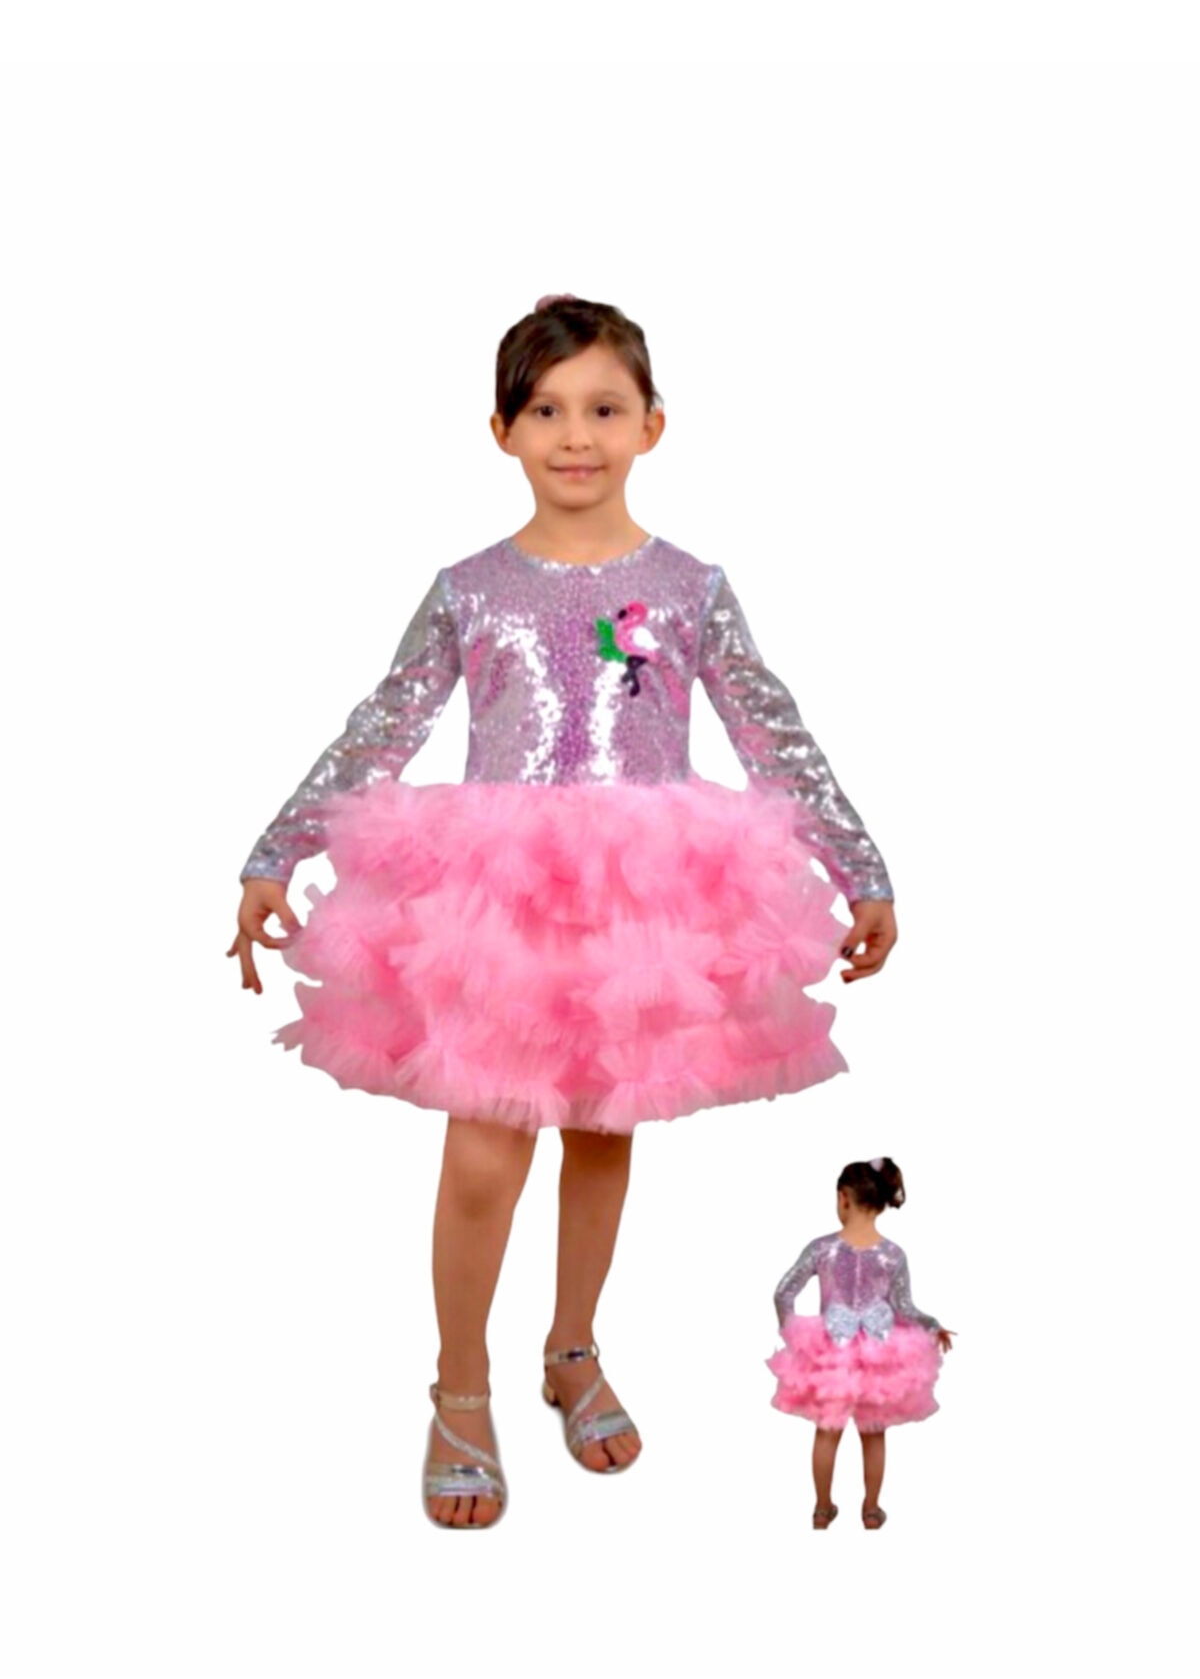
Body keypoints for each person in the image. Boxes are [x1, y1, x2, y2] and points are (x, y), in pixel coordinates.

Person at [229, 293, 899, 1530]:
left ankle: (572, 1346)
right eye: (544, 410)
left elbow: (773, 733)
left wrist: (862, 869)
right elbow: (383, 724)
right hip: (503, 903)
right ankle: (460, 1385)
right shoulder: (470, 589)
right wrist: (278, 849)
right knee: (487, 1149)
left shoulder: (690, 588)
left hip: (640, 902)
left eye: (602, 408)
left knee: (603, 1131)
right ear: (501, 431)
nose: (575, 435)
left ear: (652, 424)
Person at [767, 1156, 953, 1529]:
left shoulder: (822, 1248)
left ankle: (822, 1509)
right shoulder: (893, 1254)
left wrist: (793, 1333)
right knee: (873, 1434)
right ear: (881, 1201)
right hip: (880, 1355)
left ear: (843, 1197)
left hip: (831, 1353)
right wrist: (933, 1325)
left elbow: (783, 1292)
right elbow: (904, 1307)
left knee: (827, 1432)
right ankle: (870, 1510)